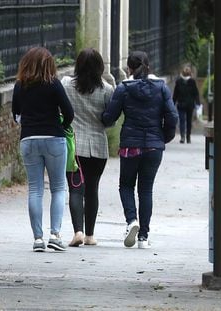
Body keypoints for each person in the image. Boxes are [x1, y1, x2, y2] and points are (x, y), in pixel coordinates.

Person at [102, 51, 178, 249]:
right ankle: (143, 236)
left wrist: (102, 118)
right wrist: (163, 137)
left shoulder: (124, 88)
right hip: (154, 147)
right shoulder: (162, 88)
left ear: (129, 69)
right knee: (146, 189)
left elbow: (110, 117)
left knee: (126, 185)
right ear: (149, 67)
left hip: (131, 146)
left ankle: (131, 221)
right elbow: (172, 117)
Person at [12, 47, 74, 252]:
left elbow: (16, 114)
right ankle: (55, 235)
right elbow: (69, 112)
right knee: (58, 188)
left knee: (35, 189)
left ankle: (38, 238)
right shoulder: (53, 84)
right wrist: (62, 127)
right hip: (54, 138)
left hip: (29, 139)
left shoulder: (20, 85)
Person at [61, 48, 114, 247]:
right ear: (100, 67)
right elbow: (109, 121)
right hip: (98, 148)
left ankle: (78, 232)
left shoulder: (66, 84)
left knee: (76, 189)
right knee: (93, 189)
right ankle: (91, 235)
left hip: (74, 146)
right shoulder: (108, 90)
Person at [172, 65, 200, 143]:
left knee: (188, 121)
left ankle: (187, 136)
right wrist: (172, 103)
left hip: (188, 105)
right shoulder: (179, 81)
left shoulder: (192, 81)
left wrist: (197, 103)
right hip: (182, 104)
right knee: (182, 120)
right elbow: (175, 93)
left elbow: (195, 93)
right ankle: (183, 137)